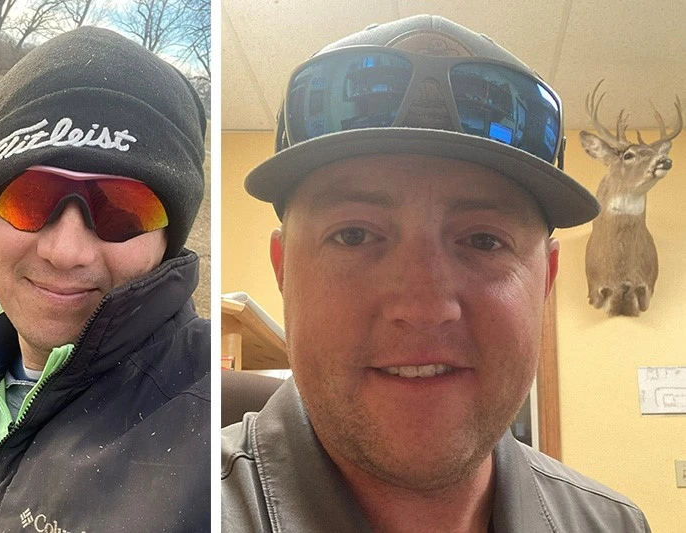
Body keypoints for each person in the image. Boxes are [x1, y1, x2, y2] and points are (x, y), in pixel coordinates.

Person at [221, 15, 651, 532]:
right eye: (354, 235)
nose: (424, 307)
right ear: (283, 270)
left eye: (484, 240)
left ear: (545, 281)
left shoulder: (614, 525)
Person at [0, 26, 210, 532]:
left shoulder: (209, 446)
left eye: (123, 210)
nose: (66, 252)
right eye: (30, 198)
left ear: (166, 241)